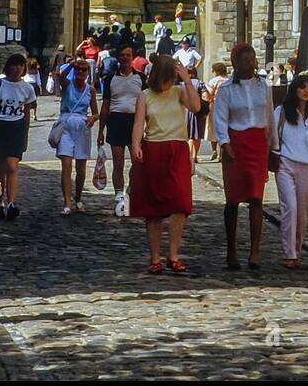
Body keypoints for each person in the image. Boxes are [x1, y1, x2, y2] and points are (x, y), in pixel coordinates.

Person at [129, 55, 200, 273]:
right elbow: (139, 122)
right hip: (155, 149)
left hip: (177, 149)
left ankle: (174, 254)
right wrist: (135, 145)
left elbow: (196, 107)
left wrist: (187, 81)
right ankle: (155, 257)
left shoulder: (179, 93)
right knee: (154, 206)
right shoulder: (145, 96)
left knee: (180, 203)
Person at [212, 44, 275, 271]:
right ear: (236, 63)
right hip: (236, 143)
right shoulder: (227, 89)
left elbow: (269, 115)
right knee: (233, 199)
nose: (250, 64)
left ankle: (255, 251)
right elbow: (219, 118)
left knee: (256, 197)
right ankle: (231, 250)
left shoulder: (263, 87)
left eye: (253, 60)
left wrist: (273, 146)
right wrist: (224, 143)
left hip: (257, 143)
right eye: (245, 60)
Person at [272, 75, 308, 269]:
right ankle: (290, 253)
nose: (306, 91)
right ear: (295, 89)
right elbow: (272, 137)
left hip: (307, 167)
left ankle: (297, 248)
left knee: (302, 213)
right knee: (290, 208)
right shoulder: (282, 112)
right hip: (286, 163)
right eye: (302, 87)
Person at [0, 54, 36, 221]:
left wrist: (25, 136)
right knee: (0, 167)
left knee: (12, 167)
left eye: (20, 66)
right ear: (8, 67)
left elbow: (27, 114)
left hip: (16, 127)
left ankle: (11, 203)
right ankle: (0, 202)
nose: (17, 69)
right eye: (14, 65)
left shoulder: (28, 88)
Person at [98, 45, 145, 218]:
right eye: (122, 55)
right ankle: (118, 194)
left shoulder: (141, 78)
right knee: (118, 162)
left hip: (135, 121)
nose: (125, 57)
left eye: (128, 55)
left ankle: (130, 191)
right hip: (116, 120)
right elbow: (106, 104)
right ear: (118, 57)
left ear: (133, 57)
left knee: (137, 162)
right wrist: (101, 130)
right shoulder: (110, 79)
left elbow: (147, 103)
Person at [52, 59, 97, 215]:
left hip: (82, 127)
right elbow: (59, 77)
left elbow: (95, 112)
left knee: (81, 168)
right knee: (66, 166)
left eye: (84, 70)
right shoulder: (68, 85)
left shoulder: (90, 90)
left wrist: (93, 118)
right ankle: (67, 202)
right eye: (78, 69)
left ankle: (78, 198)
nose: (81, 72)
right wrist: (71, 64)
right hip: (66, 125)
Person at [204, 62, 229, 162]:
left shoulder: (214, 80)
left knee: (213, 128)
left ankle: (214, 149)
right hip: (227, 106)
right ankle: (222, 153)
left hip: (215, 105)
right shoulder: (228, 80)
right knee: (224, 128)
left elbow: (210, 93)